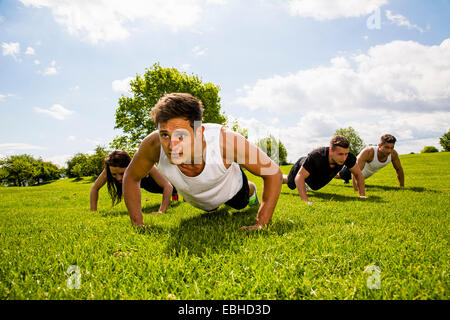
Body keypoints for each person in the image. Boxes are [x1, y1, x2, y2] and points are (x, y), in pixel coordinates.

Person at [123, 93, 283, 230]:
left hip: (232, 190)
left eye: (181, 135)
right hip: (200, 201)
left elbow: (273, 173)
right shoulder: (152, 146)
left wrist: (261, 223)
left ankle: (250, 189)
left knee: (240, 202)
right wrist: (138, 224)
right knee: (210, 209)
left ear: (199, 132)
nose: (172, 146)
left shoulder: (225, 140)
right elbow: (131, 177)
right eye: (165, 134)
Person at [283, 135, 366, 204]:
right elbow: (300, 176)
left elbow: (358, 174)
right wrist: (305, 200)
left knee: (315, 186)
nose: (344, 158)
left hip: (316, 178)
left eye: (346, 154)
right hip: (302, 168)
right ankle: (281, 177)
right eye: (340, 154)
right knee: (291, 183)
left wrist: (362, 195)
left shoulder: (348, 157)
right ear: (330, 151)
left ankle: (305, 184)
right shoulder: (316, 156)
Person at [90, 150, 177, 214]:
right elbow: (95, 188)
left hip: (170, 183)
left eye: (122, 173)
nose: (119, 178)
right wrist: (93, 211)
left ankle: (178, 196)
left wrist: (161, 211)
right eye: (114, 175)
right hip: (149, 187)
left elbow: (168, 186)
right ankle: (176, 196)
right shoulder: (109, 169)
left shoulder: (143, 164)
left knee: (177, 189)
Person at [336, 134, 404, 189]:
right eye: (386, 147)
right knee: (337, 175)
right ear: (380, 145)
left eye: (392, 148)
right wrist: (356, 188)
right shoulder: (369, 152)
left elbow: (399, 169)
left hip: (365, 175)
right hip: (351, 170)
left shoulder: (393, 154)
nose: (389, 151)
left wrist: (401, 186)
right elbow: (355, 171)